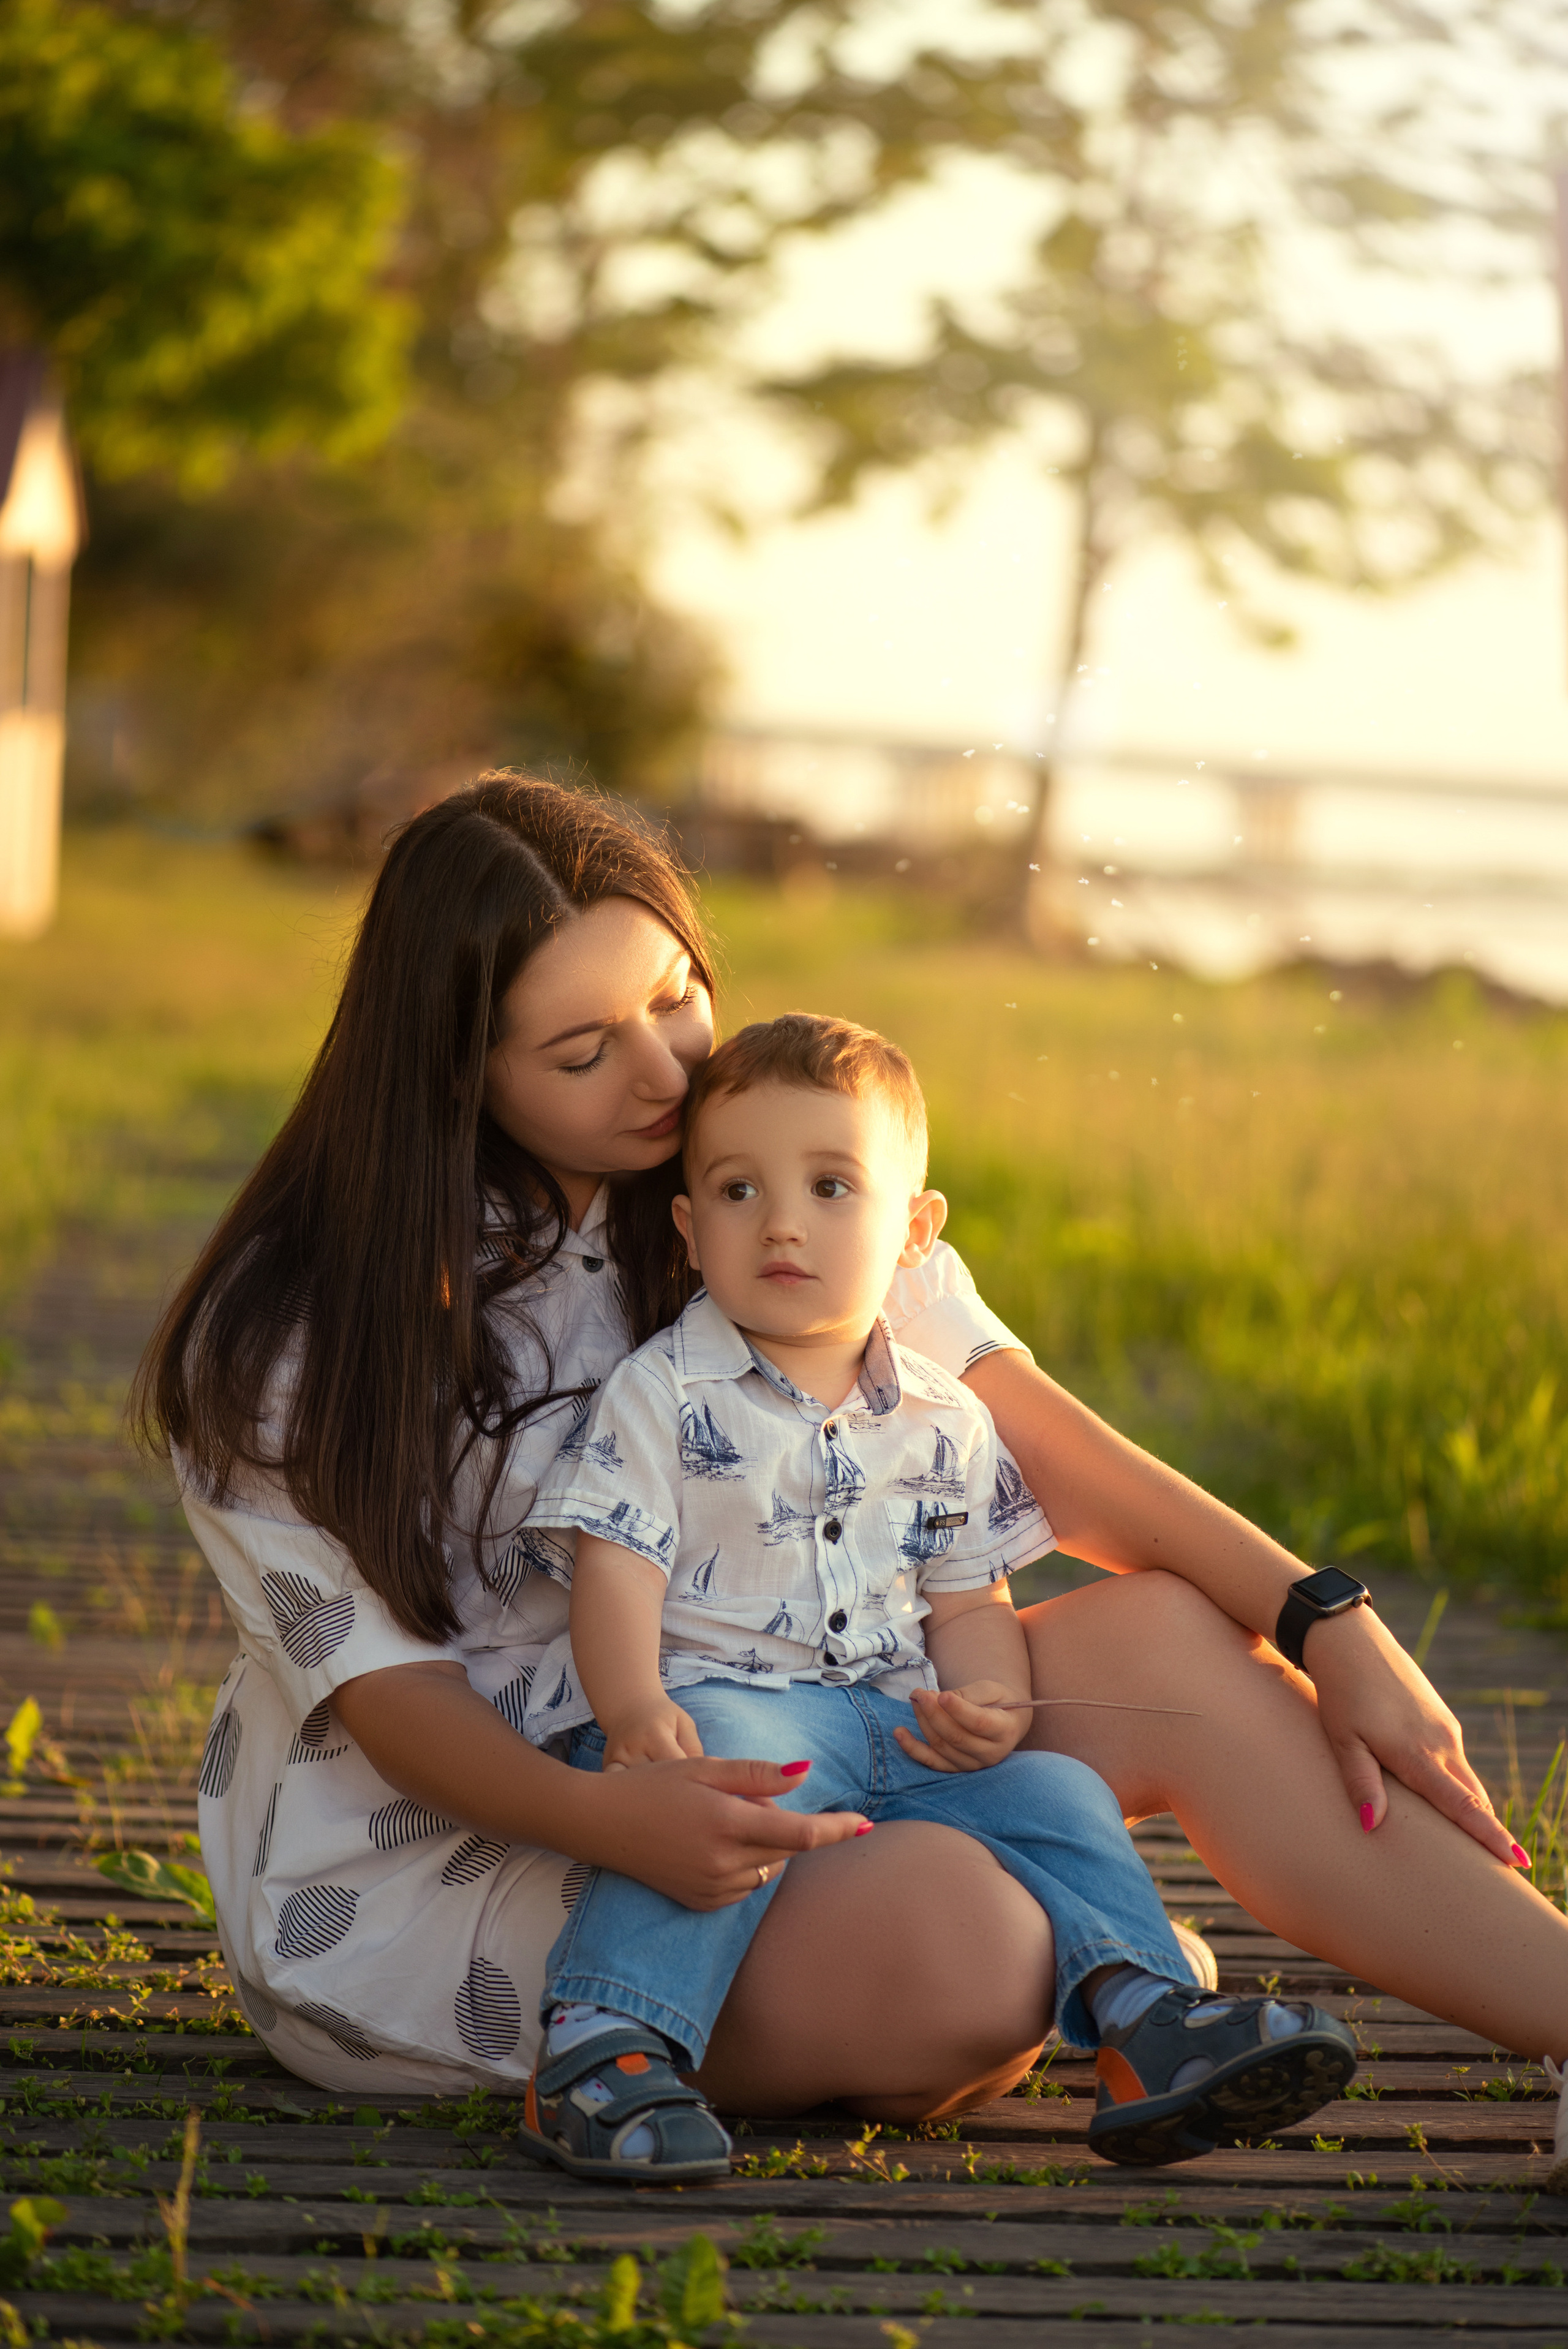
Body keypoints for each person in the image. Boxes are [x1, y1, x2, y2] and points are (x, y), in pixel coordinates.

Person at [136, 775, 1568, 2182]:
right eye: (582, 1052)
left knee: (1176, 1641)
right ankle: (1062, 1965)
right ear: (457, 1069)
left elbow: (1069, 1468)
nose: (663, 1070)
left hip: (838, 1714)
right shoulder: (291, 1334)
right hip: (495, 1838)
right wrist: (608, 1814)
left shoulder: (771, 1183)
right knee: (970, 1943)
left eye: (673, 995)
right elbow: (388, 1697)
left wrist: (1332, 1620)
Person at [517, 1012, 1357, 2181]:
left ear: (913, 1230)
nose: (785, 1223)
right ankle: (602, 2041)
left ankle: (1144, 2023)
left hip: (898, 1721)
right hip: (739, 1700)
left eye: (831, 1186)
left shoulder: (944, 1417)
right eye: (740, 1190)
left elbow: (969, 1597)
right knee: (724, 1772)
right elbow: (619, 1563)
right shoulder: (665, 1392)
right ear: (690, 1224)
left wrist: (996, 1703)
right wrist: (631, 1708)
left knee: (1058, 1790)